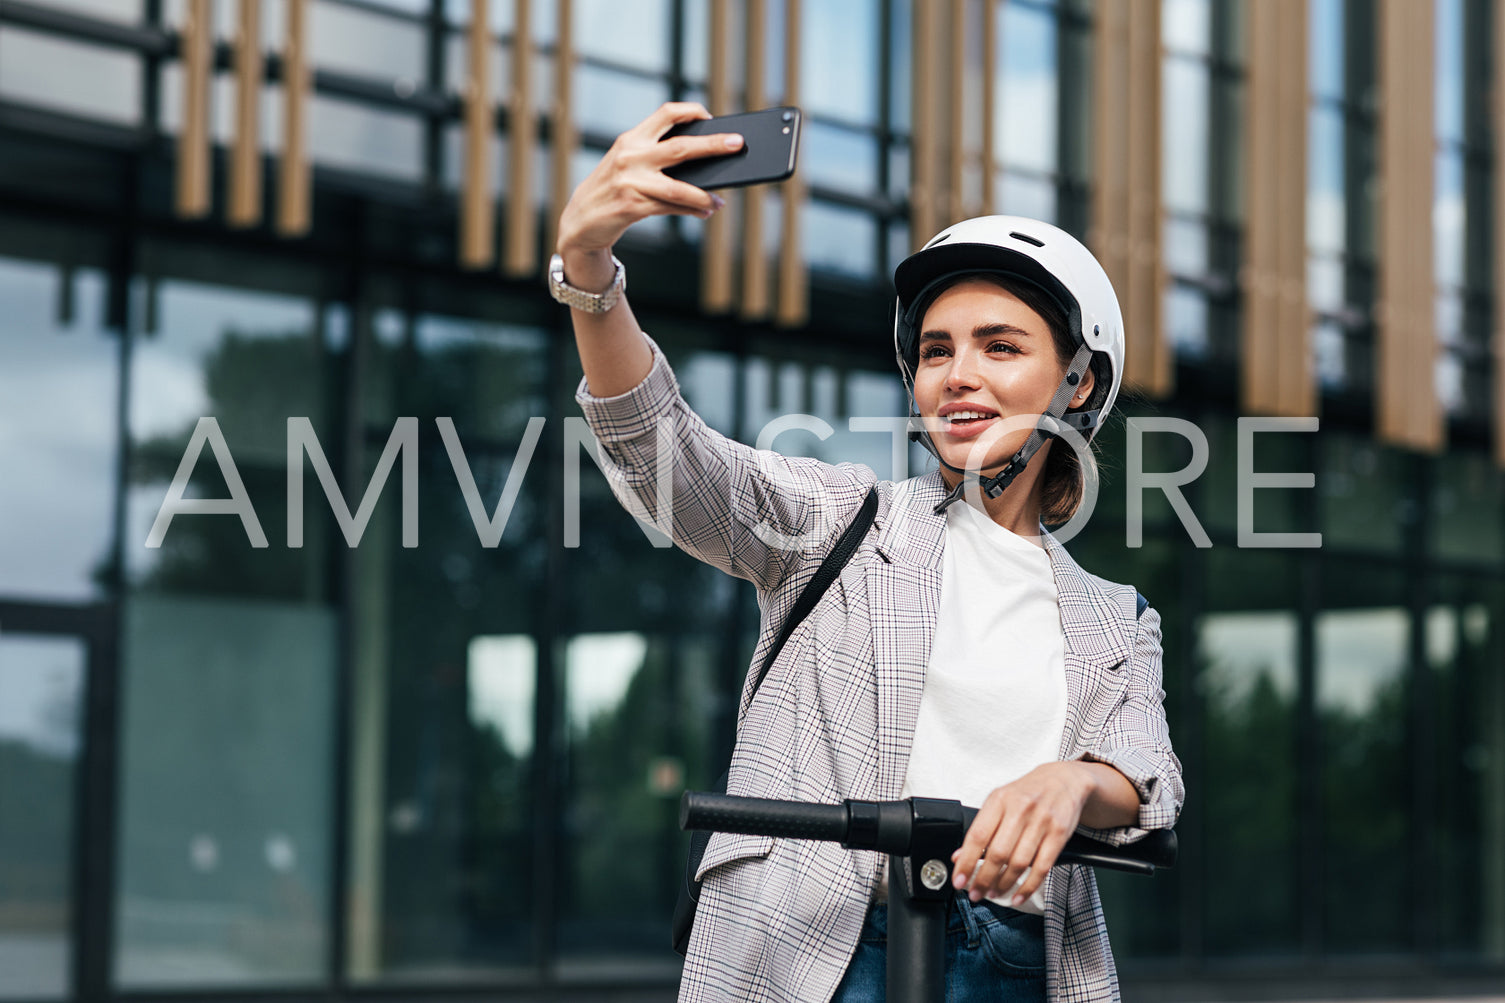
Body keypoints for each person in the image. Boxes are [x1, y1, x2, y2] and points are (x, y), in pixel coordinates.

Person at [551, 103, 1183, 1003]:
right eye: (935, 350)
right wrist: (588, 273)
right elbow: (667, 456)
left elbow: (1145, 772)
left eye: (999, 346)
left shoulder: (1114, 616)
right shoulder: (842, 524)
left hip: (1016, 958)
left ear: (1078, 380)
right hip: (816, 949)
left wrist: (1073, 782)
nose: (957, 374)